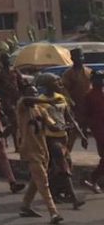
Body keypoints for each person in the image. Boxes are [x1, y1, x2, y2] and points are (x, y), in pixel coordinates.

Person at [16, 83, 62, 224]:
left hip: (42, 149)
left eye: (35, 92)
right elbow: (27, 100)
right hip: (29, 149)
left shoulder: (41, 110)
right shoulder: (22, 106)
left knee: (37, 180)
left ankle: (25, 206)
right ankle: (53, 212)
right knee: (43, 182)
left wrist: (61, 126)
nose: (34, 95)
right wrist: (48, 101)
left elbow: (52, 126)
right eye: (31, 92)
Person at [38, 73, 85, 209]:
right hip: (50, 138)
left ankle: (53, 192)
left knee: (63, 166)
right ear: (48, 84)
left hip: (63, 137)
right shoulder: (41, 101)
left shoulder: (61, 97)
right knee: (64, 166)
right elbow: (44, 121)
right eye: (56, 81)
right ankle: (74, 198)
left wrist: (82, 135)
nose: (60, 84)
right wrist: (56, 126)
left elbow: (69, 117)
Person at [61, 48, 93, 148]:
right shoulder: (68, 74)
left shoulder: (89, 71)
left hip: (88, 106)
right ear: (72, 58)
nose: (80, 59)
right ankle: (67, 152)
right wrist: (70, 101)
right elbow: (64, 89)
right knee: (73, 131)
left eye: (81, 56)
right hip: (75, 107)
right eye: (77, 57)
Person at [83, 72, 104, 193]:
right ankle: (93, 179)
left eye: (102, 79)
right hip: (99, 130)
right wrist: (84, 133)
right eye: (98, 79)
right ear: (93, 81)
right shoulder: (89, 96)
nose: (101, 81)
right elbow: (85, 116)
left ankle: (94, 179)